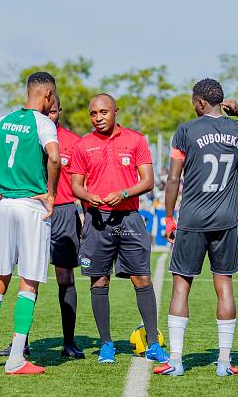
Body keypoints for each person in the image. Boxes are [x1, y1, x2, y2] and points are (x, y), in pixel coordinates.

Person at [154, 78, 238, 377]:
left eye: (194, 102)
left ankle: (176, 361)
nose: (193, 106)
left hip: (192, 219)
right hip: (225, 219)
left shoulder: (186, 130)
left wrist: (169, 219)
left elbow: (173, 179)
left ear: (201, 102)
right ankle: (223, 362)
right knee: (224, 285)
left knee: (182, 285)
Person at [0, 71, 60, 375]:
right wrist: (51, 195)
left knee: (0, 278)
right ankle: (16, 358)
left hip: (5, 206)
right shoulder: (43, 123)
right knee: (28, 282)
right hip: (31, 206)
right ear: (48, 95)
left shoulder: (4, 121)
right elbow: (55, 158)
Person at [70, 93, 168, 364]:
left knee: (142, 279)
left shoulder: (136, 140)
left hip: (129, 219)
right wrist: (88, 196)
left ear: (116, 112)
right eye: (93, 113)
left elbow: (147, 181)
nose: (98, 118)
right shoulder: (83, 144)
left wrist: (124, 193)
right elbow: (76, 185)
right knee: (99, 280)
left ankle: (153, 344)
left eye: (103, 112)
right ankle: (106, 345)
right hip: (97, 220)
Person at [0, 96, 85, 359]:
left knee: (65, 277)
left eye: (54, 112)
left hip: (64, 211)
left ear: (59, 111)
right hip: (32, 210)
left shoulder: (74, 142)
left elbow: (83, 183)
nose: (50, 116)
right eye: (47, 112)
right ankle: (21, 343)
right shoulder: (28, 134)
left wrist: (85, 217)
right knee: (26, 277)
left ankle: (69, 342)